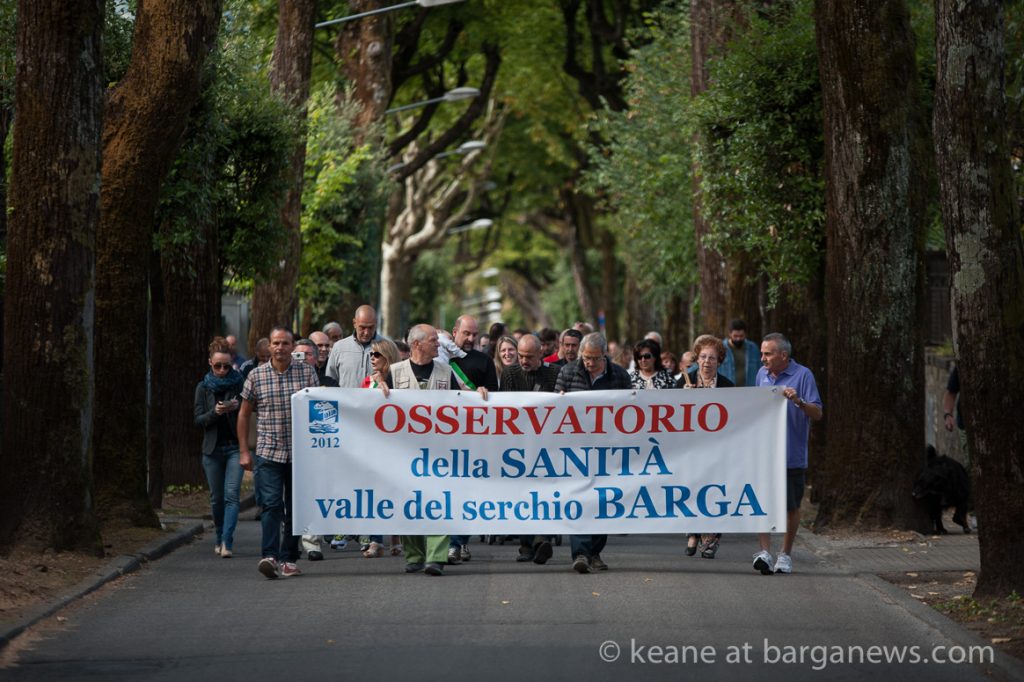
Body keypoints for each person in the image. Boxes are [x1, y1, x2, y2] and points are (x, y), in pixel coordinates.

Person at [384, 324, 487, 576]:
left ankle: (435, 557)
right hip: (405, 453)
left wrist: (480, 393)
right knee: (410, 504)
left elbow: (464, 398)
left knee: (438, 502)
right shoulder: (394, 373)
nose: (438, 344)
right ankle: (415, 555)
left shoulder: (446, 370)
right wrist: (378, 389)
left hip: (439, 452)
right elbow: (371, 403)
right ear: (416, 344)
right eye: (433, 340)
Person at [237, 327, 319, 579]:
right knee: (271, 505)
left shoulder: (307, 373)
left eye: (285, 343)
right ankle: (270, 556)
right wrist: (244, 451)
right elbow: (243, 413)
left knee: (295, 508)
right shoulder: (256, 376)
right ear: (269, 347)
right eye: (276, 343)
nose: (280, 347)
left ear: (293, 346)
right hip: (268, 451)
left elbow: (319, 408)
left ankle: (288, 558)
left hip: (300, 453)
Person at [555, 332, 631, 574]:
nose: (588, 363)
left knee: (603, 500)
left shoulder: (619, 376)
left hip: (608, 448)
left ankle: (595, 551)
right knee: (578, 498)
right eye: (585, 357)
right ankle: (580, 552)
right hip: (575, 448)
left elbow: (631, 410)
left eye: (594, 358)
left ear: (604, 355)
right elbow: (554, 406)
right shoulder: (568, 372)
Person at [751, 332, 822, 575]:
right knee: (763, 503)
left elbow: (817, 413)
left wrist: (799, 401)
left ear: (783, 355)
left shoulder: (803, 375)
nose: (763, 358)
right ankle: (765, 553)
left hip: (791, 453)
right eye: (762, 353)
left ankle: (785, 554)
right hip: (764, 453)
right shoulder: (761, 375)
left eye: (767, 354)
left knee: (791, 506)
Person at [500, 334, 561, 564]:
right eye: (521, 355)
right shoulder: (510, 374)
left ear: (540, 354)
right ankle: (529, 544)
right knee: (521, 494)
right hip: (518, 445)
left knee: (543, 495)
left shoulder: (554, 374)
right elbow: (504, 407)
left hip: (547, 444)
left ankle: (540, 538)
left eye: (529, 356)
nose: (523, 360)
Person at [447, 315, 499, 562]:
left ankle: (457, 543)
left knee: (464, 492)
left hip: (470, 436)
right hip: (439, 437)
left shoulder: (484, 361)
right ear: (454, 331)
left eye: (474, 335)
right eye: (466, 333)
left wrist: (483, 394)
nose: (470, 339)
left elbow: (497, 400)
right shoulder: (439, 358)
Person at [677, 334, 735, 558]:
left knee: (715, 488)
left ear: (719, 360)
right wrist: (682, 399)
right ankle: (692, 532)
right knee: (692, 487)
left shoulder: (728, 386)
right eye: (703, 357)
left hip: (717, 447)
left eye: (712, 358)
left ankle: (711, 536)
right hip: (690, 448)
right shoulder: (683, 382)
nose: (707, 362)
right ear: (696, 358)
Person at [193, 337, 244, 558]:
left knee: (232, 495)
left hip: (235, 447)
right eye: (218, 366)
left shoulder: (239, 382)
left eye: (226, 365)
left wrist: (237, 406)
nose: (222, 370)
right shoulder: (203, 387)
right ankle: (218, 536)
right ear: (209, 363)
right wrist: (216, 412)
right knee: (216, 498)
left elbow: (249, 408)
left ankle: (227, 541)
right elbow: (198, 419)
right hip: (212, 451)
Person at [359, 338, 403, 557]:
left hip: (397, 446)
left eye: (377, 354)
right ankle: (376, 540)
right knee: (375, 492)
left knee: (395, 491)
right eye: (371, 355)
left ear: (388, 356)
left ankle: (396, 538)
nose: (373, 359)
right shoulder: (367, 382)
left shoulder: (401, 381)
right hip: (373, 445)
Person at [325, 305, 383, 387]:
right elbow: (330, 381)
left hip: (377, 399)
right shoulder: (339, 348)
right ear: (354, 323)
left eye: (370, 327)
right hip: (344, 399)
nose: (366, 332)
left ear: (376, 324)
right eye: (362, 327)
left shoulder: (388, 347)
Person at [720, 319, 760, 387]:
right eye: (735, 336)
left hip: (749, 389)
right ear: (730, 334)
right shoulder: (721, 348)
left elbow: (760, 368)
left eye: (741, 336)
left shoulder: (753, 348)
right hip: (727, 389)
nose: (738, 339)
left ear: (745, 334)